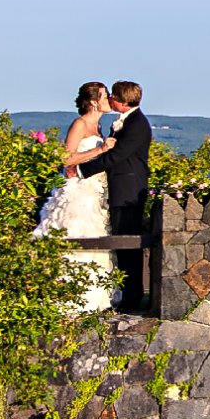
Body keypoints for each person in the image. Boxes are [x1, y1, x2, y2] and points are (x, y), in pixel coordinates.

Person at [69, 80, 152, 310]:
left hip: (127, 192)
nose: (110, 99)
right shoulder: (126, 121)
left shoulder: (137, 125)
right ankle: (124, 293)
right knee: (119, 243)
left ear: (124, 103)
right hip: (113, 189)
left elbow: (116, 157)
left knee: (127, 245)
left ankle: (132, 296)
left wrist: (82, 171)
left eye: (113, 97)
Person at [35, 81, 117, 311]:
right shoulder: (80, 125)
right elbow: (66, 159)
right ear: (93, 101)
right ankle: (68, 295)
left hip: (95, 191)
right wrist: (100, 150)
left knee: (97, 239)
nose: (108, 99)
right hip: (78, 191)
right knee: (76, 235)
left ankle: (93, 297)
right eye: (104, 96)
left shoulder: (99, 127)